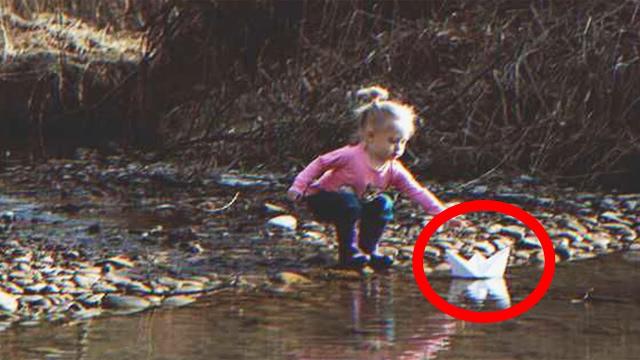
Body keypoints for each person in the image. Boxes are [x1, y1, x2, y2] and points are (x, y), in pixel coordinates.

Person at [287, 85, 460, 270]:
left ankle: (369, 250)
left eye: (402, 142)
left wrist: (442, 213)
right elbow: (320, 163)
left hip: (355, 204)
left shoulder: (394, 168)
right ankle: (349, 253)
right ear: (370, 136)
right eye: (392, 141)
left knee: (383, 203)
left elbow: (416, 190)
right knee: (349, 203)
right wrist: (299, 186)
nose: (398, 148)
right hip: (323, 200)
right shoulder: (351, 155)